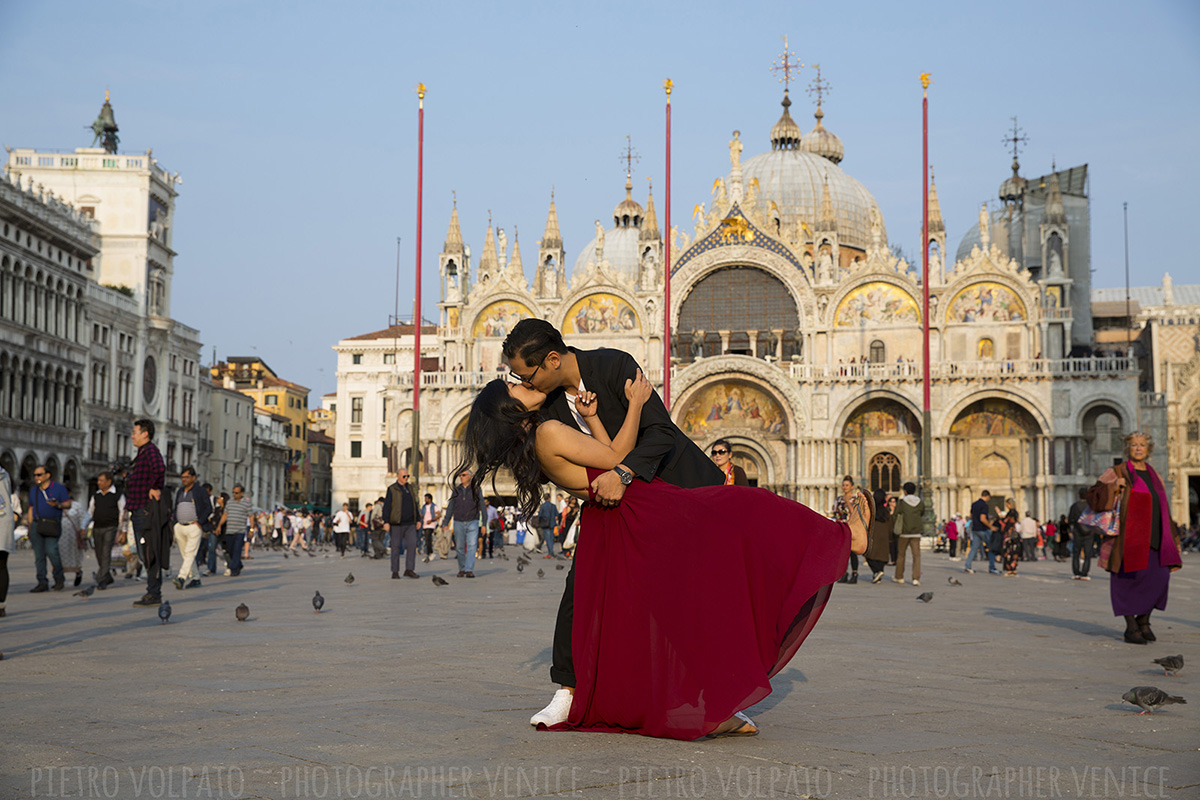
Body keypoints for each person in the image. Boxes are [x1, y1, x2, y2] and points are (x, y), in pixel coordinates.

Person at [458, 368, 869, 739]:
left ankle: (714, 707)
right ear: (509, 410)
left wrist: (594, 419)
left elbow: (599, 460)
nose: (521, 383)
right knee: (750, 510)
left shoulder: (539, 438)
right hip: (640, 508)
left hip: (616, 520)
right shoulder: (547, 431)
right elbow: (619, 459)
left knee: (673, 612)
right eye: (513, 387)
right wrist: (636, 404)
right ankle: (842, 539)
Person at [502, 318, 727, 729]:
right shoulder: (548, 407)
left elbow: (660, 432)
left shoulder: (614, 365)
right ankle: (567, 692)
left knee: (686, 597)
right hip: (612, 506)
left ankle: (718, 696)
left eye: (526, 375)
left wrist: (622, 473)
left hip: (676, 489)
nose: (524, 383)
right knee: (580, 588)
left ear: (552, 360)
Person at [1096, 432, 1183, 645]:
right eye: (1133, 445)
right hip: (1128, 538)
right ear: (1128, 449)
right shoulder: (1117, 471)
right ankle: (1131, 626)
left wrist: (1173, 536)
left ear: (1148, 449)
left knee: (1161, 578)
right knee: (1128, 581)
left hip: (1156, 536)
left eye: (1142, 445)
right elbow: (1094, 495)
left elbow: (1164, 507)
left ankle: (1144, 620)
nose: (1138, 448)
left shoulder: (1155, 475)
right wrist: (1114, 485)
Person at [126, 419, 168, 607]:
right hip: (138, 508)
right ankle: (152, 591)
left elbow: (159, 468)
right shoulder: (142, 453)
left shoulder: (151, 451)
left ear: (145, 434)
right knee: (145, 554)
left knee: (149, 553)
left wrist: (154, 487)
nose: (132, 436)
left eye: (135, 432)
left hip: (144, 510)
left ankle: (154, 593)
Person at [26, 464, 71, 592]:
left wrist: (58, 504)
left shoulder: (59, 488)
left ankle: (59, 577)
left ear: (47, 475)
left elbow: (68, 504)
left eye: (39, 474)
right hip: (37, 524)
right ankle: (42, 581)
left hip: (52, 524)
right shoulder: (34, 490)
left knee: (52, 551)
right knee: (39, 555)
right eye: (35, 475)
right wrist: (30, 526)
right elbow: (30, 508)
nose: (36, 477)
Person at [170, 466, 212, 590]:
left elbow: (208, 507)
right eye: (182, 477)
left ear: (193, 477)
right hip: (180, 526)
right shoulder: (180, 491)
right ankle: (195, 578)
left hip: (194, 526)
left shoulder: (200, 491)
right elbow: (176, 506)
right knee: (186, 554)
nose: (184, 480)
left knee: (190, 552)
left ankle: (181, 577)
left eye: (187, 477)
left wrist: (200, 521)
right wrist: (175, 523)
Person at [442, 470, 483, 579]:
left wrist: (484, 524)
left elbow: (482, 506)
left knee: (472, 546)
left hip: (473, 521)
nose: (461, 477)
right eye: (460, 475)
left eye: (463, 475)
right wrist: (445, 522)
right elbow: (451, 507)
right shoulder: (456, 490)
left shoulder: (476, 489)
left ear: (470, 476)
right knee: (459, 547)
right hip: (458, 521)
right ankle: (462, 568)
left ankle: (469, 569)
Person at [88, 472, 125, 589]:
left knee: (105, 552)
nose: (99, 483)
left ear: (109, 481)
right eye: (98, 480)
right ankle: (107, 576)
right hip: (97, 527)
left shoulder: (118, 495)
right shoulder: (96, 496)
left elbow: (122, 513)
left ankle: (102, 579)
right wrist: (85, 527)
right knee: (99, 553)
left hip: (111, 527)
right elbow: (90, 512)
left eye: (101, 480)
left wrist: (122, 530)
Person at [383, 470, 419, 579]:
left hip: (410, 523)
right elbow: (387, 506)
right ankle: (395, 571)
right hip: (396, 523)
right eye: (404, 476)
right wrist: (386, 521)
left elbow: (415, 504)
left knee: (412, 545)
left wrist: (418, 519)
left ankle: (409, 569)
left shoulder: (411, 488)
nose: (406, 478)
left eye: (407, 476)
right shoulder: (392, 489)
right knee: (396, 547)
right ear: (398, 476)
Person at [894, 482, 924, 585]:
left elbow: (896, 514)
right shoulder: (920, 502)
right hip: (916, 532)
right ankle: (916, 578)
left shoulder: (902, 503)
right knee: (916, 556)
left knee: (901, 555)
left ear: (905, 491)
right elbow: (922, 512)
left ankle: (899, 577)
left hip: (904, 532)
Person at [218, 485, 252, 577]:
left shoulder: (246, 503)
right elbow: (225, 514)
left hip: (240, 531)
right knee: (229, 551)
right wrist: (219, 525)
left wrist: (251, 529)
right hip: (229, 531)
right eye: (233, 492)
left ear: (242, 493)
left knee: (237, 550)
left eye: (236, 493)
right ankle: (239, 564)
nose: (234, 494)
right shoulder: (229, 502)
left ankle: (234, 569)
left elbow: (251, 516)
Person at [964, 489, 998, 575]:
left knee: (974, 549)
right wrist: (991, 527)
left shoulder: (974, 504)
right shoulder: (984, 505)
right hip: (983, 530)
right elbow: (982, 518)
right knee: (991, 547)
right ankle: (992, 567)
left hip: (975, 529)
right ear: (987, 496)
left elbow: (971, 516)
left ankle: (968, 567)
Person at [833, 476, 860, 584]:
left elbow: (854, 513)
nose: (845, 487)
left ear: (852, 487)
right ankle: (843, 574)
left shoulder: (855, 499)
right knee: (842, 553)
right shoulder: (839, 499)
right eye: (843, 485)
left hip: (851, 527)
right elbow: (835, 511)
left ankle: (854, 573)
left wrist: (848, 502)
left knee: (852, 552)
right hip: (841, 526)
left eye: (847, 485)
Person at [865, 488, 891, 583]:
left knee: (869, 555)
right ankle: (878, 574)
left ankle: (877, 571)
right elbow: (890, 524)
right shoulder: (886, 511)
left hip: (873, 535)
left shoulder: (871, 511)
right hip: (884, 537)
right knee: (881, 557)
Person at [1067, 489, 1094, 580]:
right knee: (1087, 554)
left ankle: (1076, 573)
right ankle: (1085, 573)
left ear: (1078, 495)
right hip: (1089, 533)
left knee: (1076, 553)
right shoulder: (1091, 506)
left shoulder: (1074, 506)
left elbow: (1070, 520)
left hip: (1077, 532)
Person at [0, 465, 13, 617]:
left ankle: (1, 605)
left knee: (1, 565)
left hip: (2, 520)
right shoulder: (5, 473)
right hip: (5, 519)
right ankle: (1, 605)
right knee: (1, 565)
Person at [1000, 499, 1021, 576]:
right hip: (1014, 535)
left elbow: (1006, 522)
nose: (1006, 505)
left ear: (1009, 504)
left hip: (1009, 535)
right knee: (1014, 551)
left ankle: (1009, 569)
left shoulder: (1010, 513)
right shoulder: (1016, 512)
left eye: (1007, 504)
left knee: (1008, 551)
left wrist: (1001, 519)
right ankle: (1013, 569)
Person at [536, 493, 558, 558]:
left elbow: (539, 515)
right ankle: (552, 552)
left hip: (545, 524)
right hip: (552, 524)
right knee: (551, 538)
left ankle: (550, 553)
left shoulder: (542, 506)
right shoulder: (553, 506)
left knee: (548, 539)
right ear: (549, 498)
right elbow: (557, 515)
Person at [419, 493, 440, 563]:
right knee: (426, 540)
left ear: (430, 499)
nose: (425, 500)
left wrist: (432, 520)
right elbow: (422, 514)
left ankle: (430, 553)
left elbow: (439, 514)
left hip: (431, 525)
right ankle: (428, 554)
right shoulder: (424, 507)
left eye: (426, 498)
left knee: (428, 539)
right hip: (424, 525)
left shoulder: (434, 506)